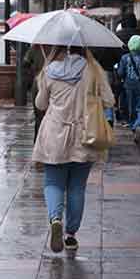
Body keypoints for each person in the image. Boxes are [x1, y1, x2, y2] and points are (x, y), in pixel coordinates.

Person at [33, 46, 114, 252]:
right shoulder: (93, 70)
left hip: (54, 135)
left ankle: (55, 219)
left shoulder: (50, 70)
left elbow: (40, 104)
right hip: (84, 135)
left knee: (53, 183)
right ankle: (70, 235)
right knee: (77, 187)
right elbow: (109, 101)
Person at [117, 35, 140, 142]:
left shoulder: (125, 57)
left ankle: (133, 125)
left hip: (129, 85)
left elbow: (120, 73)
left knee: (131, 107)